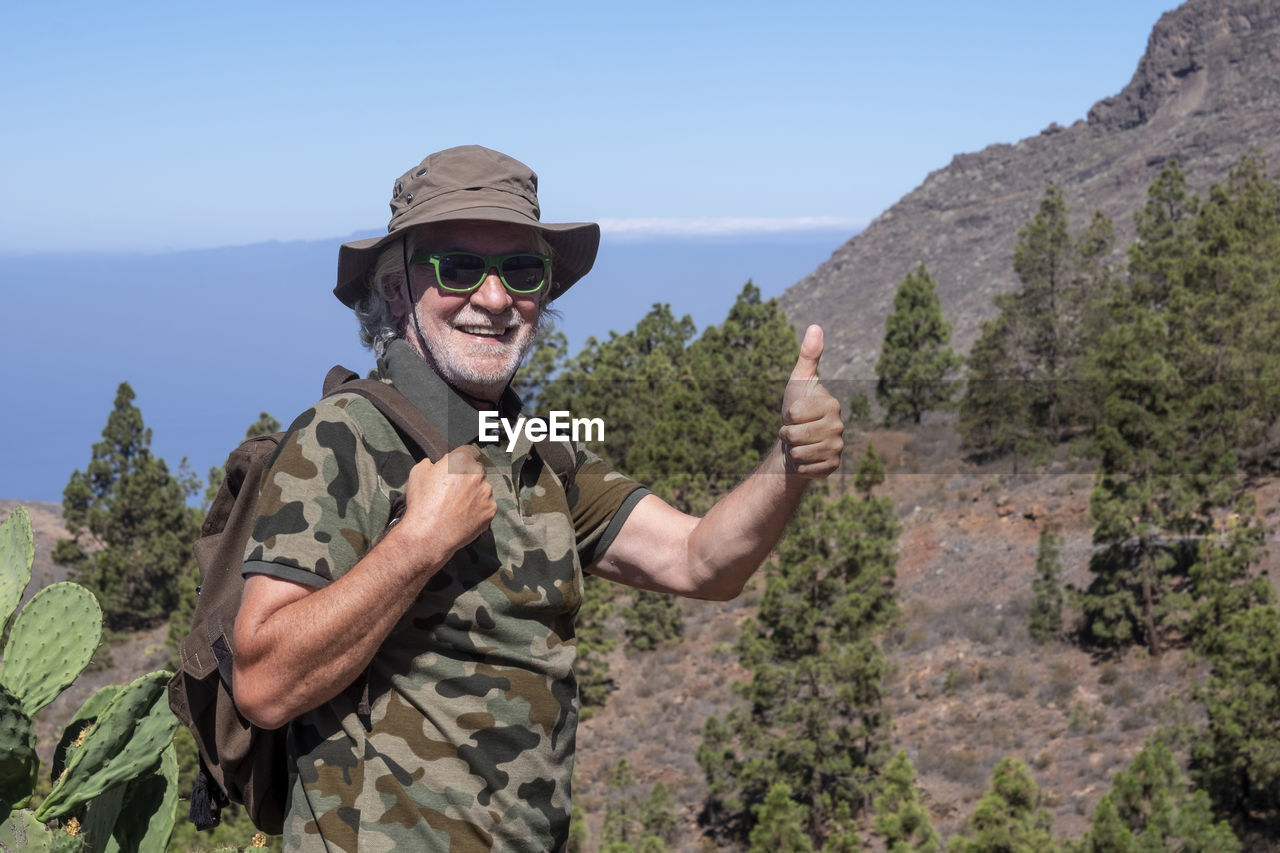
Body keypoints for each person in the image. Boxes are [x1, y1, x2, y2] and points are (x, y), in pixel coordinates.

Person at [231, 145, 844, 851]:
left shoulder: (538, 452)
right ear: (397, 289)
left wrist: (788, 461)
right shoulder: (344, 437)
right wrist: (416, 545)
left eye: (521, 269)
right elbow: (263, 682)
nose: (494, 299)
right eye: (457, 266)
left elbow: (700, 560)